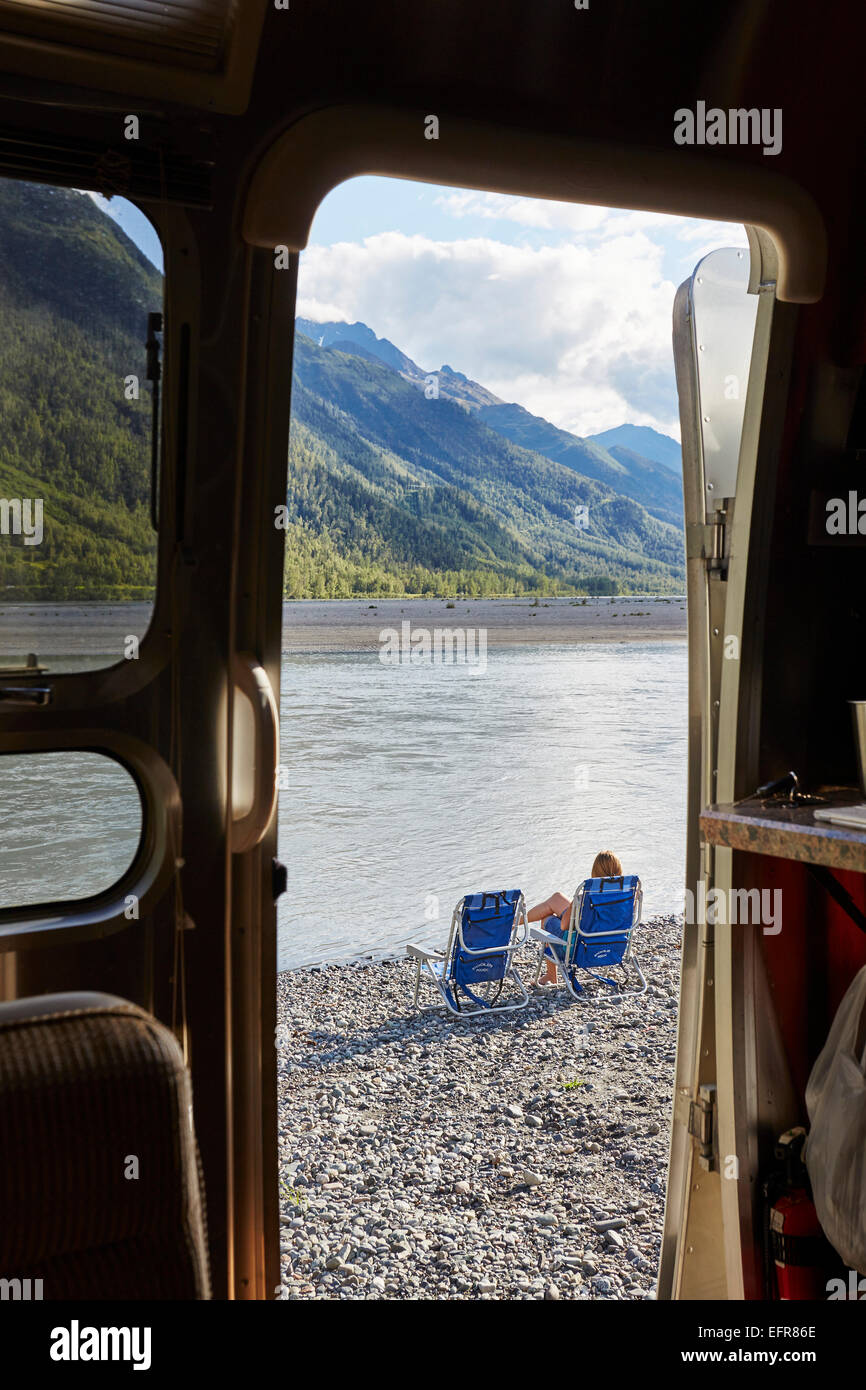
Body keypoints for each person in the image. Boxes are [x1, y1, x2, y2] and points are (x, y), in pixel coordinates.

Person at [527, 851, 624, 984]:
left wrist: (573, 906)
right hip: (614, 947)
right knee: (557, 898)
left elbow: (564, 926)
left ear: (594, 871)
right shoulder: (629, 897)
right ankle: (515, 922)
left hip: (581, 950)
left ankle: (551, 975)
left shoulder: (585, 896)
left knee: (547, 919)